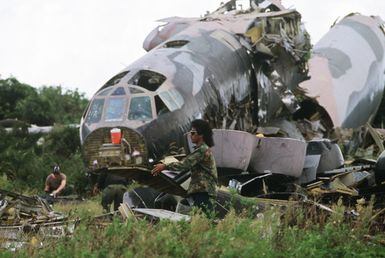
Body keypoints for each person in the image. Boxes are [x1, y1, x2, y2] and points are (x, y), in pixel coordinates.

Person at [151, 119, 218, 215]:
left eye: (193, 133)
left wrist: (165, 166)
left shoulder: (202, 150)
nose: (190, 135)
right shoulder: (200, 150)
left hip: (204, 191)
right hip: (201, 190)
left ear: (201, 135)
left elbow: (184, 164)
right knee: (200, 218)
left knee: (204, 219)